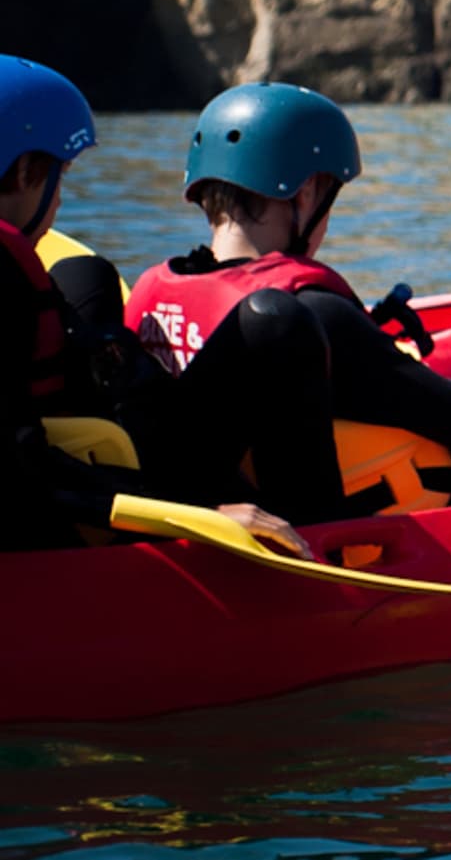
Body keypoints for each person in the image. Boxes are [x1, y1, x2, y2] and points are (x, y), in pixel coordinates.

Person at [123, 83, 451, 523]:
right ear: (305, 195)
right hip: (339, 539)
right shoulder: (311, 312)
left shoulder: (149, 293)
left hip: (193, 509)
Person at [0, 57, 303, 553]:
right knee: (279, 325)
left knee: (86, 277)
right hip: (45, 540)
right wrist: (191, 512)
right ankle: (324, 535)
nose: (58, 206)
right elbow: (19, 469)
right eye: (60, 177)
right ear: (24, 169)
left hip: (71, 480)